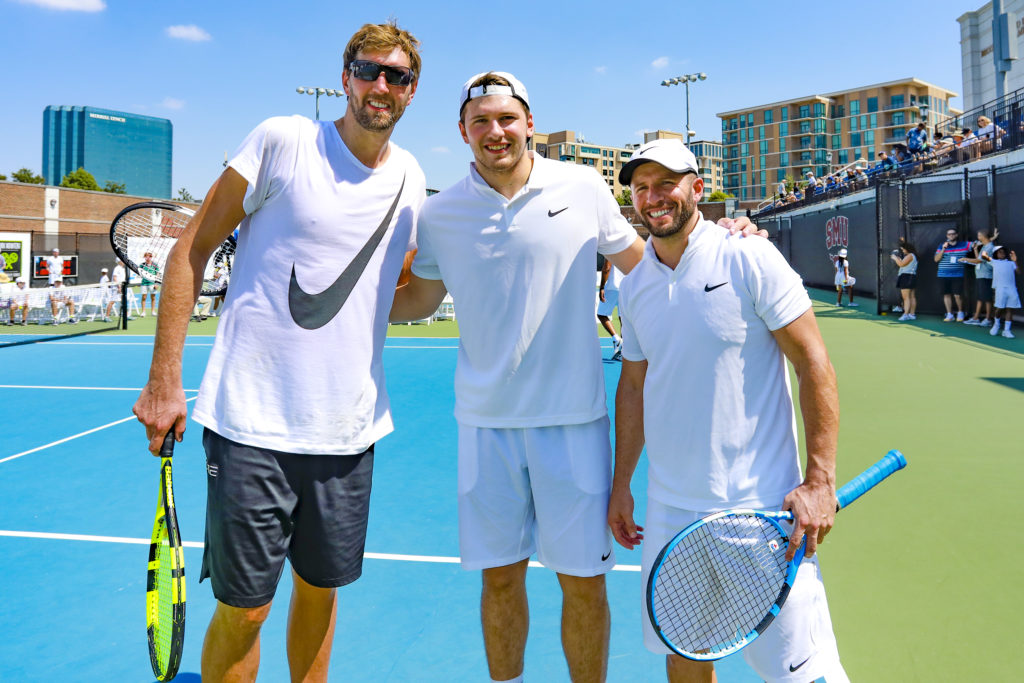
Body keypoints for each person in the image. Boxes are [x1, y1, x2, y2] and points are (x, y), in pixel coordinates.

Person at [389, 75, 761, 683]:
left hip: (574, 426)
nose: (495, 132)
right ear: (463, 131)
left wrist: (724, 242)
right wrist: (354, 297)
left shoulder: (582, 185)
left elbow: (648, 268)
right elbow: (419, 300)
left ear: (529, 123)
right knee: (500, 580)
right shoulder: (440, 212)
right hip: (485, 429)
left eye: (506, 118)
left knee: (584, 584)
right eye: (480, 122)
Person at [131, 21, 426, 683]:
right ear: (346, 74)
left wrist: (454, 274)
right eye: (369, 69)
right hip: (251, 428)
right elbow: (191, 249)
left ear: (411, 91)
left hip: (348, 432)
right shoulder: (282, 140)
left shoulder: (410, 177)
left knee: (320, 597)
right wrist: (164, 379)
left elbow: (395, 299)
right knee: (248, 611)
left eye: (397, 75)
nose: (381, 85)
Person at [607, 139, 847, 683]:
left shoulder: (748, 254)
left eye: (665, 183)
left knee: (804, 674)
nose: (653, 197)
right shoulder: (636, 283)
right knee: (687, 657)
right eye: (641, 187)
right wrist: (623, 483)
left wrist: (819, 480)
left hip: (759, 511)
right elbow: (634, 387)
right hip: (670, 513)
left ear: (696, 187)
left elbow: (814, 363)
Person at [960, 229, 998, 326]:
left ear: (983, 236)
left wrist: (965, 259)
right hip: (981, 275)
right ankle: (976, 318)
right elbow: (978, 258)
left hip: (986, 276)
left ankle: (988, 319)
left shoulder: (989, 247)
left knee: (987, 298)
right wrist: (976, 249)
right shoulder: (985, 246)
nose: (978, 237)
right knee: (981, 297)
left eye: (979, 235)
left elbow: (979, 261)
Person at [934, 228, 970, 321]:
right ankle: (949, 314)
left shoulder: (964, 245)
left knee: (957, 295)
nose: (951, 236)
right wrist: (943, 249)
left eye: (953, 234)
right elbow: (936, 259)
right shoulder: (942, 245)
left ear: (956, 235)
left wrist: (992, 238)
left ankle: (960, 312)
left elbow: (978, 243)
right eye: (949, 234)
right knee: (946, 294)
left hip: (957, 275)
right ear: (947, 236)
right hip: (943, 274)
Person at [985, 245, 1019, 338]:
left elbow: (1018, 272)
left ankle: (1007, 330)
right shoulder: (993, 262)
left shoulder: (1011, 263)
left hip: (1012, 289)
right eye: (1000, 252)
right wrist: (984, 252)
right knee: (999, 308)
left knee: (1009, 309)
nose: (1002, 253)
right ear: (996, 254)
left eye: (1003, 251)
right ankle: (996, 325)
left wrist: (1015, 260)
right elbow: (985, 257)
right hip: (999, 289)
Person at [598, 259, 624, 360]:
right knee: (623, 318)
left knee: (601, 314)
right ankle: (624, 351)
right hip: (626, 286)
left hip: (612, 287)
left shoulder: (610, 246)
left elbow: (607, 268)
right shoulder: (629, 246)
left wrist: (602, 287)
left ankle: (616, 339)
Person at [891, 238, 918, 321]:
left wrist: (895, 258)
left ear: (907, 249)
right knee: (911, 296)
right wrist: (898, 259)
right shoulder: (912, 255)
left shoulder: (910, 255)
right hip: (911, 276)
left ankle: (906, 314)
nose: (902, 251)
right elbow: (903, 263)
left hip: (907, 277)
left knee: (906, 298)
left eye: (903, 249)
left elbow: (901, 264)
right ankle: (912, 314)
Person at [139, 251, 160, 317]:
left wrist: (156, 283)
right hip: (144, 283)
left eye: (150, 256)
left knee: (153, 297)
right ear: (145, 257)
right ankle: (143, 312)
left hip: (152, 283)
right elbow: (139, 273)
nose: (148, 257)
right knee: (144, 297)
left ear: (151, 257)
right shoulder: (142, 265)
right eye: (146, 256)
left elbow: (157, 274)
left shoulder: (155, 265)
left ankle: (153, 312)